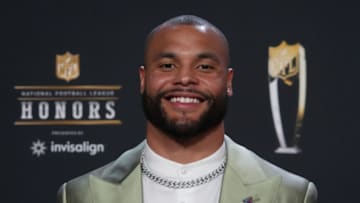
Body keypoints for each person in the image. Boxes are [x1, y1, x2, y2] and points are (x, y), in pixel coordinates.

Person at [57, 15, 317, 203]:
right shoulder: (79, 195)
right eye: (168, 66)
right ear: (143, 79)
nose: (184, 79)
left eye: (204, 67)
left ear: (228, 82)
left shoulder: (291, 195)